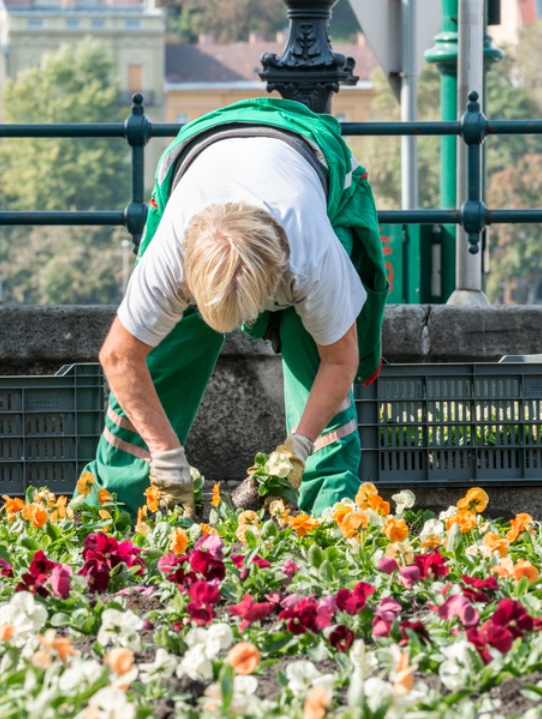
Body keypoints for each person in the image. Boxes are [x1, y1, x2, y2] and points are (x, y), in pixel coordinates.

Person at [90, 97, 387, 516]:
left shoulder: (313, 256)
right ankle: (111, 507)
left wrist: (297, 448)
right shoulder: (171, 255)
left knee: (312, 349)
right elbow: (120, 356)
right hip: (198, 152)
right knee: (163, 356)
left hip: (308, 152)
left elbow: (341, 361)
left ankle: (328, 512)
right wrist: (165, 454)